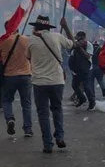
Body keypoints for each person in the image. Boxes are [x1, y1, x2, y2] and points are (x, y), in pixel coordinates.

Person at [26, 15, 75, 152]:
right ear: (48, 26)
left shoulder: (31, 40)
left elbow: (28, 57)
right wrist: (66, 27)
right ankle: (59, 136)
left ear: (36, 26)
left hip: (39, 82)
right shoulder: (57, 36)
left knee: (43, 114)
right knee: (57, 109)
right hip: (57, 81)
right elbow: (73, 44)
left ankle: (47, 144)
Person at [0, 25, 33, 138]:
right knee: (26, 103)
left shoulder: (3, 41)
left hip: (9, 76)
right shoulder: (27, 39)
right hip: (26, 75)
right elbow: (31, 55)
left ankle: (10, 119)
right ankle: (28, 129)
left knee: (6, 100)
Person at [68, 31, 96, 110]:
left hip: (86, 69)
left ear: (82, 37)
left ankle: (92, 102)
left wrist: (79, 47)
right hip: (76, 69)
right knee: (74, 85)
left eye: (78, 37)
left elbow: (88, 56)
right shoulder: (75, 45)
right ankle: (82, 98)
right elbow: (72, 55)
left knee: (86, 86)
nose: (76, 38)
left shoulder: (88, 45)